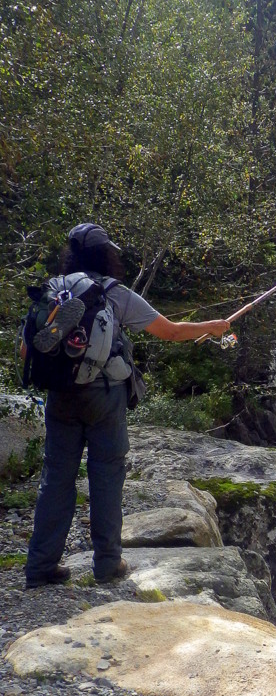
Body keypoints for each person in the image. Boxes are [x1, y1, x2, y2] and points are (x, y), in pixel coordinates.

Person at [24, 223, 230, 588]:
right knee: (106, 474)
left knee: (56, 477)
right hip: (104, 396)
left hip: (59, 394)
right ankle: (106, 564)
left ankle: (40, 566)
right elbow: (170, 330)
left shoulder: (53, 291)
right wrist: (211, 326)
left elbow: (28, 350)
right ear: (106, 254)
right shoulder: (113, 293)